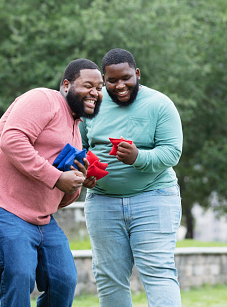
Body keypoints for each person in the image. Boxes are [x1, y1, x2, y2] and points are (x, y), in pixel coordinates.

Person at [0, 58, 103, 307]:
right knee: (19, 277)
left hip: (41, 218)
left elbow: (58, 195)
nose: (95, 92)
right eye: (88, 85)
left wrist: (78, 182)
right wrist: (57, 177)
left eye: (100, 87)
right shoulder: (43, 99)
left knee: (63, 281)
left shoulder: (76, 133)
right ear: (66, 85)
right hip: (1, 205)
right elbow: (12, 140)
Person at [80, 48, 184, 306]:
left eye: (126, 78)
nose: (120, 85)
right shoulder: (91, 105)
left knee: (158, 272)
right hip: (103, 202)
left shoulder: (160, 104)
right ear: (104, 80)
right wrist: (83, 173)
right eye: (112, 81)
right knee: (108, 276)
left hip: (155, 197)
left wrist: (138, 157)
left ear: (136, 73)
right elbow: (78, 147)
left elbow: (173, 152)